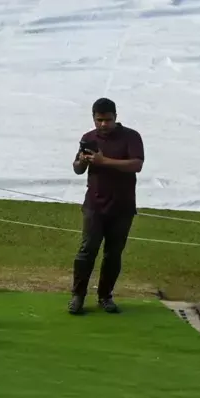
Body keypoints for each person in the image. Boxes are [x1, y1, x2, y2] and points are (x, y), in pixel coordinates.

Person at [69, 98, 145, 315]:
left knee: (113, 254)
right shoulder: (88, 138)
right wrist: (83, 161)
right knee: (87, 251)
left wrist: (104, 161)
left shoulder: (131, 136)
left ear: (115, 117)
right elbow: (77, 169)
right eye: (99, 120)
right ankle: (78, 296)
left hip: (122, 206)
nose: (103, 124)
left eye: (108, 120)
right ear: (93, 118)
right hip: (94, 204)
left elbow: (136, 164)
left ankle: (105, 296)